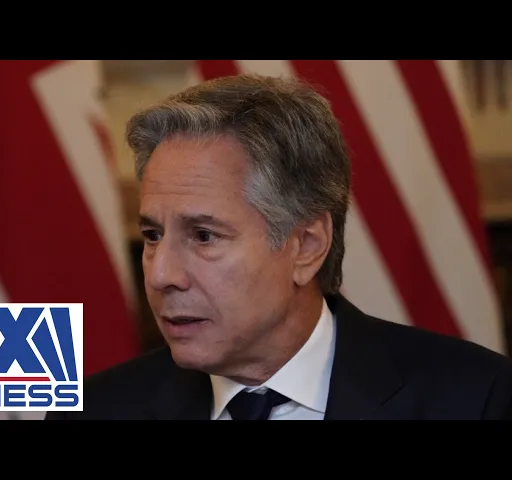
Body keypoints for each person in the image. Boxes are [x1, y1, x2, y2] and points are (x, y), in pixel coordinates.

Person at [46, 73, 512, 420]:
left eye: (204, 236)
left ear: (307, 246)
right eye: (152, 236)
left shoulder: (475, 399)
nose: (161, 274)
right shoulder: (96, 411)